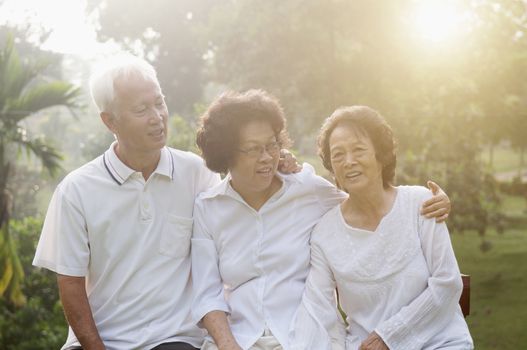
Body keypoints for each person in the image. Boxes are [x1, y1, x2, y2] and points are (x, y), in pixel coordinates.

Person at [190, 90, 452, 350]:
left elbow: (367, 198)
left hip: (300, 337)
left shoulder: (308, 191)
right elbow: (206, 294)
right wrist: (228, 345)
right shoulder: (209, 208)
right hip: (238, 338)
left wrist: (436, 201)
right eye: (253, 149)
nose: (268, 157)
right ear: (225, 153)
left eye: (272, 145)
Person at [32, 54, 221, 350]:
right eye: (141, 109)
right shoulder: (77, 190)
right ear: (110, 121)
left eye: (159, 103)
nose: (157, 117)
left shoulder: (197, 173)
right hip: (100, 339)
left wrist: (281, 168)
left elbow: (240, 211)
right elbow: (70, 284)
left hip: (174, 338)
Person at [292, 106, 473, 350]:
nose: (349, 162)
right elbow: (322, 313)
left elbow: (448, 283)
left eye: (359, 150)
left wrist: (389, 337)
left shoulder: (420, 204)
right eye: (338, 155)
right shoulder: (324, 234)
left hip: (441, 343)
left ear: (381, 155)